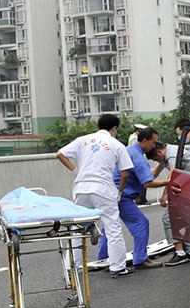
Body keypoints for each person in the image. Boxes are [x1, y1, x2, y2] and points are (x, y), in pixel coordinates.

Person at [56, 114, 135, 278]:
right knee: (113, 228)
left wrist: (75, 171)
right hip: (103, 189)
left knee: (77, 229)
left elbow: (59, 154)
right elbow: (125, 173)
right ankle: (117, 267)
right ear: (114, 129)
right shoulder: (116, 144)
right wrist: (119, 192)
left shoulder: (82, 140)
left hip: (81, 188)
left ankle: (71, 268)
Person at [98, 127, 170, 270]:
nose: (154, 146)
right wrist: (169, 182)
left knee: (110, 226)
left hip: (109, 193)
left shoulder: (128, 150)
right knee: (141, 222)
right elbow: (147, 182)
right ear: (145, 140)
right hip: (121, 196)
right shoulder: (138, 157)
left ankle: (103, 260)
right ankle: (140, 259)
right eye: (153, 142)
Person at [146, 141, 190, 266]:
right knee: (183, 218)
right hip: (188, 187)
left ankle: (180, 252)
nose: (158, 161)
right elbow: (155, 173)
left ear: (160, 152)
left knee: (169, 219)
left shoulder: (172, 155)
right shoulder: (167, 153)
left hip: (188, 187)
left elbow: (172, 177)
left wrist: (165, 195)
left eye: (156, 158)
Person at [128, 124, 150, 205]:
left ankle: (141, 198)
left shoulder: (132, 137)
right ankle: (141, 199)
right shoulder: (134, 138)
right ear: (137, 130)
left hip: (135, 160)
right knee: (144, 179)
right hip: (137, 161)